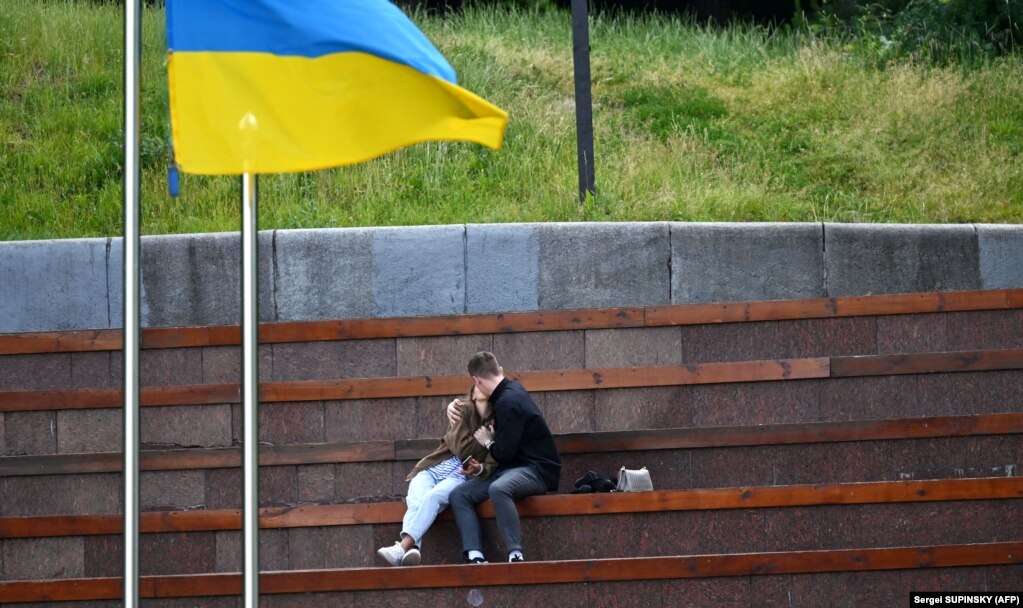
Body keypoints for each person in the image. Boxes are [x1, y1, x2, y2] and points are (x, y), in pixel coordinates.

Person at [447, 351, 561, 563]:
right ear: (499, 370)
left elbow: (504, 453)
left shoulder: (509, 401)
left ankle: (515, 553)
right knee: (459, 495)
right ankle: (475, 555)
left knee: (498, 489)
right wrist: (453, 407)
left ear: (476, 380)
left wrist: (489, 441)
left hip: (537, 470)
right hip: (511, 469)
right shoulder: (508, 392)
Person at [376, 385, 496, 566]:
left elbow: (492, 463)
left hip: (459, 477)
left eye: (485, 384)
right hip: (432, 469)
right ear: (472, 395)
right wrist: (483, 441)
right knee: (416, 499)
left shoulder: (497, 424)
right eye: (477, 386)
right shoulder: (461, 410)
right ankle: (413, 549)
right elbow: (459, 447)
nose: (482, 387)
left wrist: (485, 452)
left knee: (432, 497)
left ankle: (401, 548)